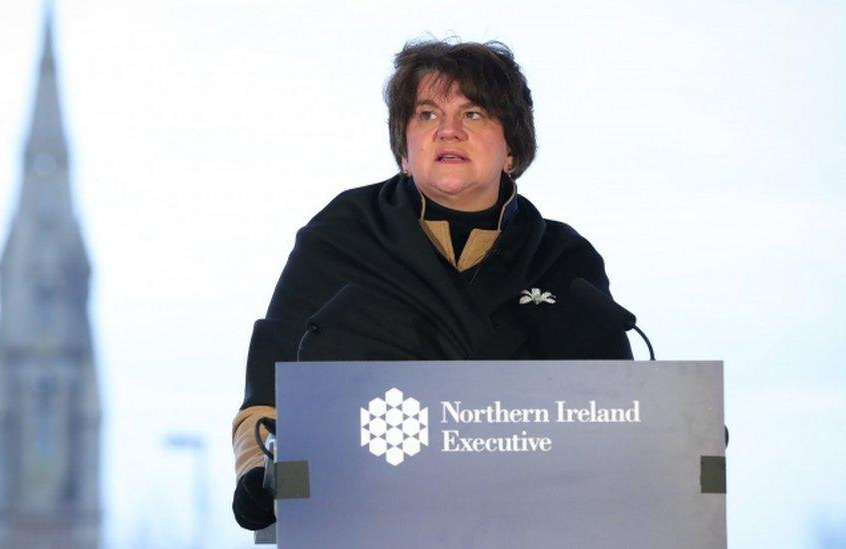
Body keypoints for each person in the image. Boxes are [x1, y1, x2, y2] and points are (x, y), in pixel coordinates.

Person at [231, 38, 633, 530]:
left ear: (513, 148)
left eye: (473, 114)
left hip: (530, 523)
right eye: (426, 114)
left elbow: (619, 410)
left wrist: (671, 437)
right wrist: (255, 471)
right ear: (404, 149)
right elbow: (271, 389)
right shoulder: (342, 235)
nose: (447, 131)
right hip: (365, 521)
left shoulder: (565, 260)